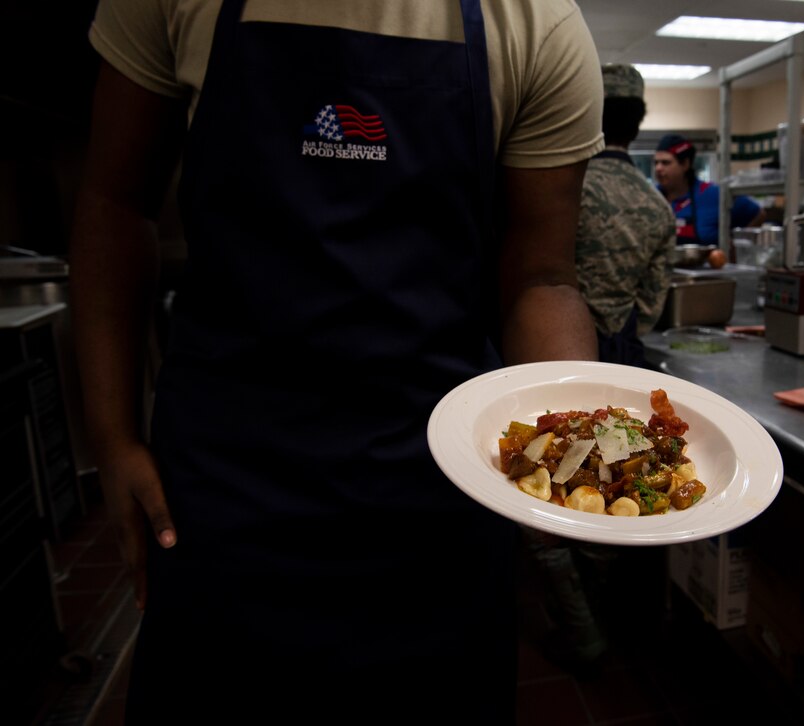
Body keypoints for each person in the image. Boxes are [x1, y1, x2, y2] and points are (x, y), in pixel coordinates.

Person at [67, 0, 603, 722]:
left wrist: (573, 452)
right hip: (223, 496)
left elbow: (542, 276)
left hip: (436, 508)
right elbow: (112, 201)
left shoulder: (537, 22)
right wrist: (112, 439)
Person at [520, 64, 672, 676]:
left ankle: (579, 627)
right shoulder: (657, 207)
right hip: (624, 362)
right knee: (617, 491)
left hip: (551, 354)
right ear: (637, 124)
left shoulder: (557, 192)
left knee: (543, 488)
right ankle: (608, 613)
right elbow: (653, 310)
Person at [574, 64, 675, 368]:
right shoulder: (658, 206)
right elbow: (652, 301)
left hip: (557, 343)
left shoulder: (564, 192)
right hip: (623, 349)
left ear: (590, 114)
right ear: (637, 124)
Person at [654, 133, 766, 246]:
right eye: (656, 163)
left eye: (665, 163)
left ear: (685, 164)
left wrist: (737, 247)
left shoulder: (713, 194)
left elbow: (758, 214)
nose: (658, 168)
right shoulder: (651, 197)